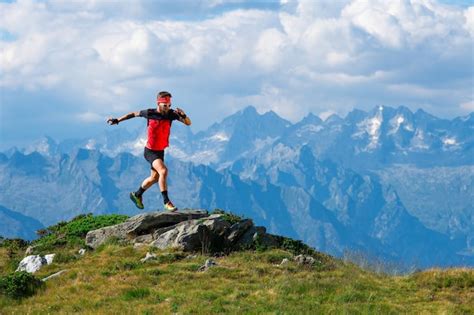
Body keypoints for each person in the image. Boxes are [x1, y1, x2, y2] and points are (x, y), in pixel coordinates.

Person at [107, 91, 191, 211]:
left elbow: (188, 123)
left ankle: (137, 194)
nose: (167, 107)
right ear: (158, 103)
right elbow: (133, 114)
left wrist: (183, 115)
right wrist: (117, 120)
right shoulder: (149, 113)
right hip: (150, 151)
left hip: (160, 151)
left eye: (169, 105)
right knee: (163, 171)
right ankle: (166, 201)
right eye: (165, 105)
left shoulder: (171, 114)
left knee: (154, 178)